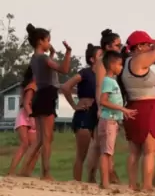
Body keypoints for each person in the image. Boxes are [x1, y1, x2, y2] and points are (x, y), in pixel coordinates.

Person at [121, 22, 155, 191]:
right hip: (146, 107)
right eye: (147, 45)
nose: (150, 47)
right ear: (139, 47)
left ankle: (132, 184)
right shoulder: (140, 60)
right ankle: (147, 185)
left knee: (134, 150)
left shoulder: (128, 61)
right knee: (151, 149)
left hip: (134, 104)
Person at [20, 23, 72, 180]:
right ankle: (46, 173)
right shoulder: (43, 58)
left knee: (40, 139)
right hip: (48, 94)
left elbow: (46, 69)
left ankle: (24, 169)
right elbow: (63, 70)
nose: (49, 43)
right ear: (40, 41)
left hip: (39, 95)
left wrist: (52, 53)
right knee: (47, 138)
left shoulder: (34, 58)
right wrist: (68, 53)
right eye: (48, 40)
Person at [62, 43, 101, 181]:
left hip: (98, 114)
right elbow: (66, 87)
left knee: (97, 151)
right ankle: (77, 182)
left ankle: (92, 179)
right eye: (100, 55)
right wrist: (74, 105)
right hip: (85, 113)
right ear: (92, 59)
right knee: (81, 154)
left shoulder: (104, 75)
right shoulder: (85, 73)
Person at [88, 29, 123, 183]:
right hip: (103, 106)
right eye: (117, 45)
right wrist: (100, 107)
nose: (120, 48)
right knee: (101, 144)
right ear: (108, 46)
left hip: (106, 105)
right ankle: (106, 175)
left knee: (101, 143)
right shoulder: (103, 63)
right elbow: (99, 86)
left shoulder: (109, 63)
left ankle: (99, 175)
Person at [98, 52, 136, 189]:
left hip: (112, 120)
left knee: (108, 151)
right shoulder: (108, 81)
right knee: (106, 152)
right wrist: (122, 109)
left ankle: (105, 180)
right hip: (109, 120)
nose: (121, 67)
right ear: (112, 65)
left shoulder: (111, 81)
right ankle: (105, 182)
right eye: (120, 65)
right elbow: (103, 101)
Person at [8, 67, 37, 175]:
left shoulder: (35, 86)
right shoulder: (31, 86)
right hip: (26, 116)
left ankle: (25, 173)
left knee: (34, 147)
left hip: (31, 116)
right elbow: (26, 103)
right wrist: (31, 117)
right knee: (25, 144)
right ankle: (12, 172)